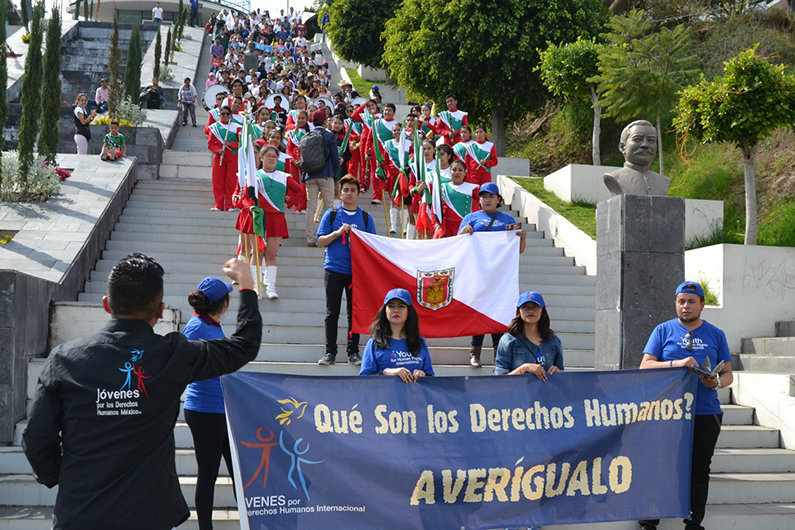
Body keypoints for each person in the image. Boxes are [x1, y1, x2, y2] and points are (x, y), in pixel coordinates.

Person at [22, 254, 261, 530]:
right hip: (148, 516)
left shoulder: (64, 359)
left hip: (80, 512)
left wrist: (66, 476)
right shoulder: (174, 356)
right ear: (160, 310)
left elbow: (37, 439)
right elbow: (244, 346)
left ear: (106, 305)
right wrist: (247, 285)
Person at [638, 281, 733, 530]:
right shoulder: (662, 330)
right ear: (675, 304)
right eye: (681, 301)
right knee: (660, 463)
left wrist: (715, 383)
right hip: (668, 412)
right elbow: (645, 365)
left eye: (691, 301)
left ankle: (693, 521)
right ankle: (650, 519)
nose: (686, 306)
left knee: (700, 468)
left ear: (702, 304)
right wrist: (676, 364)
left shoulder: (716, 334)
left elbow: (728, 375)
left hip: (704, 411)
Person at [182, 277, 237, 530]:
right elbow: (182, 366)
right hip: (204, 411)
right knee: (208, 474)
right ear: (222, 304)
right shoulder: (195, 328)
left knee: (238, 471)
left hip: (222, 410)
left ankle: (251, 521)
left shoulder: (213, 326)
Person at [459, 182, 527, 367]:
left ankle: (499, 352)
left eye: (491, 196)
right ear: (479, 200)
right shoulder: (471, 218)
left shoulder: (507, 220)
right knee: (479, 312)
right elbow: (458, 246)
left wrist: (523, 238)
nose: (487, 199)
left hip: (499, 275)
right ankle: (475, 352)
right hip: (477, 273)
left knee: (498, 311)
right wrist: (464, 233)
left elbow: (518, 250)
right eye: (484, 196)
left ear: (498, 199)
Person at [316, 175, 377, 366]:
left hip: (356, 272)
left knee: (355, 313)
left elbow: (374, 245)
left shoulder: (366, 217)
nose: (349, 194)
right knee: (331, 312)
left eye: (353, 190)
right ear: (339, 193)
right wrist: (337, 234)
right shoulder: (331, 215)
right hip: (333, 269)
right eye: (345, 190)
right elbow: (319, 241)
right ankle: (330, 352)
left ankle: (353, 352)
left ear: (358, 194)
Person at [360, 288, 434, 381]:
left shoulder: (419, 342)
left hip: (414, 395)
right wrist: (386, 372)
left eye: (401, 306)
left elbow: (431, 376)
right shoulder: (375, 343)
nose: (396, 310)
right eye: (391, 306)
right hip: (385, 395)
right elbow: (364, 379)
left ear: (409, 311)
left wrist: (423, 375)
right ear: (385, 311)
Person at [495, 291, 563, 378]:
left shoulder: (553, 341)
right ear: (519, 311)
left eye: (535, 307)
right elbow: (499, 379)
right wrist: (524, 368)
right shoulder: (508, 340)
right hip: (518, 391)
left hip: (545, 391)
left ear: (542, 310)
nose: (530, 310)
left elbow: (562, 376)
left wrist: (557, 372)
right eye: (525, 307)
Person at [603, 119, 670, 197]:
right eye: (637, 139)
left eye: (651, 140)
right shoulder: (614, 178)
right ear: (622, 147)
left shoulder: (663, 181)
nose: (645, 145)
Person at [303, 110, 339, 247]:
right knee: (329, 205)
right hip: (326, 174)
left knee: (310, 207)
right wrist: (335, 175)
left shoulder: (307, 136)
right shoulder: (329, 137)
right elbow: (335, 158)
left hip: (310, 176)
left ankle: (310, 238)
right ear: (325, 122)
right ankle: (327, 235)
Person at [207, 106, 240, 211]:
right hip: (219, 157)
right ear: (219, 115)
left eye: (227, 114)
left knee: (231, 182)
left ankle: (230, 205)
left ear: (231, 115)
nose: (225, 116)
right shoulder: (214, 127)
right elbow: (210, 144)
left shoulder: (237, 127)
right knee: (218, 182)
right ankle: (219, 205)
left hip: (232, 157)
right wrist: (218, 150)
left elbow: (242, 144)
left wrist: (231, 144)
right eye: (223, 114)